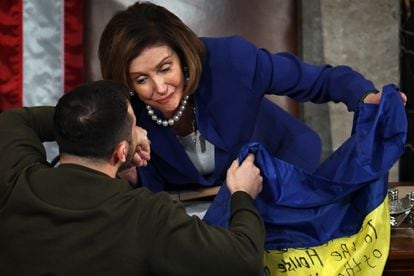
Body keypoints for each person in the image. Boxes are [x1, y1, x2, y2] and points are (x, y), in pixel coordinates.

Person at [98, 1, 407, 193]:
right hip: (202, 210)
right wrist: (132, 174)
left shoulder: (234, 61)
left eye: (165, 69)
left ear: (182, 55)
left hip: (281, 170)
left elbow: (319, 80)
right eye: (142, 79)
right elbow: (150, 177)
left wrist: (363, 96)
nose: (160, 87)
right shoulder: (125, 112)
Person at [0, 80, 264, 275]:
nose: (139, 130)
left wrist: (79, 125)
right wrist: (242, 195)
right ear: (121, 152)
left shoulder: (14, 180)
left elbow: (14, 120)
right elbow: (243, 259)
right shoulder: (146, 216)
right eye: (135, 124)